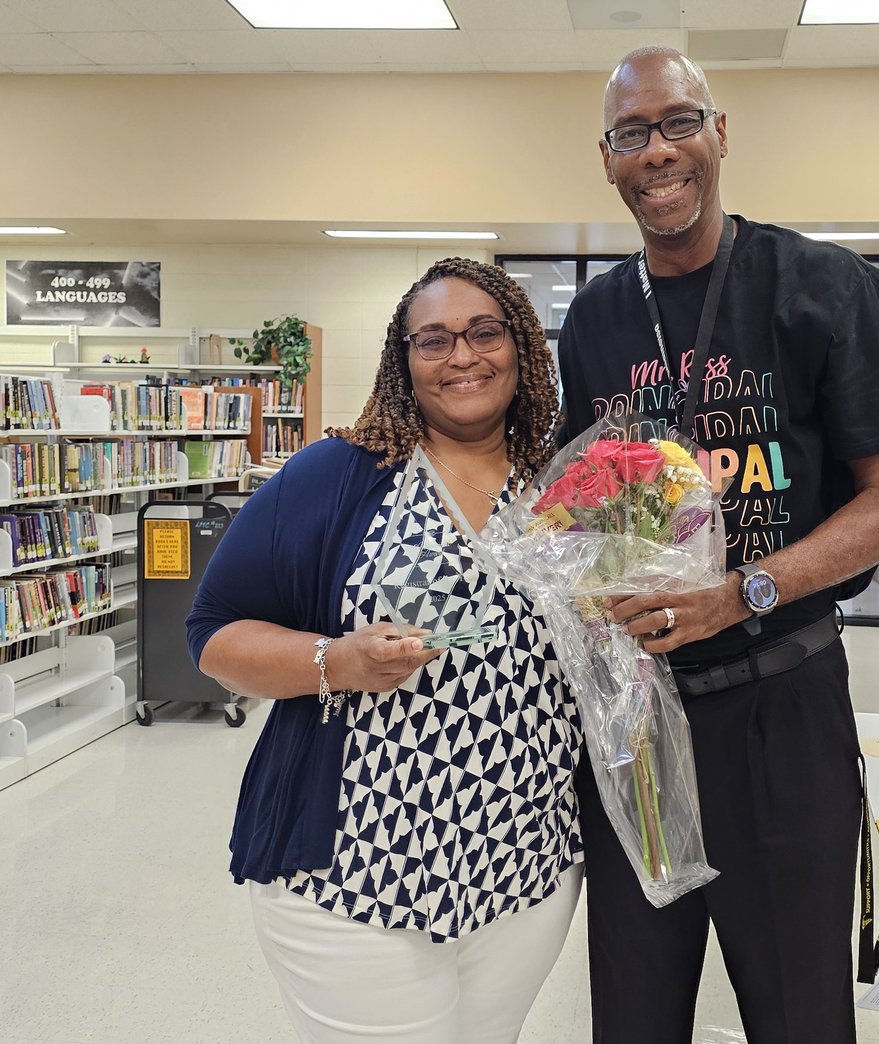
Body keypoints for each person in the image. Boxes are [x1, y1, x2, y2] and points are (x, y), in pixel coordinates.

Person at [556, 47, 879, 1044]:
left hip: (781, 704)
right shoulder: (594, 319)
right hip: (640, 722)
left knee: (799, 1013)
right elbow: (583, 507)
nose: (658, 151)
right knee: (634, 1014)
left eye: (679, 122)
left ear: (720, 134)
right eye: (631, 134)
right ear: (607, 158)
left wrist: (741, 591)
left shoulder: (827, 286)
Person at [186, 258, 582, 1044]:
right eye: (433, 340)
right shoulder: (338, 475)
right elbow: (213, 631)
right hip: (356, 872)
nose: (462, 356)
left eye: (485, 333)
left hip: (526, 870)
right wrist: (339, 661)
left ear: (522, 347)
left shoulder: (560, 482)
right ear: (404, 361)